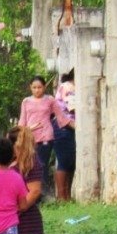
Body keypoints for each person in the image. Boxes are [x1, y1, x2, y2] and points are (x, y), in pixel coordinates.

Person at [17, 76, 73, 195]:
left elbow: (61, 117)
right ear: (30, 88)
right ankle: (31, 192)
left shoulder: (50, 100)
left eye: (39, 87)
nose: (37, 90)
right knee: (29, 164)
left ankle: (43, 193)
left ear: (44, 87)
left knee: (42, 164)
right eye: (34, 87)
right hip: (29, 138)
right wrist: (23, 132)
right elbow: (22, 122)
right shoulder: (26, 101)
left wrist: (77, 126)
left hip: (45, 137)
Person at [51, 71, 77, 201]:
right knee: (64, 161)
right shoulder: (68, 87)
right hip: (64, 127)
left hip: (69, 127)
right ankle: (62, 197)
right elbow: (73, 107)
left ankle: (67, 195)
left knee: (70, 162)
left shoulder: (70, 86)